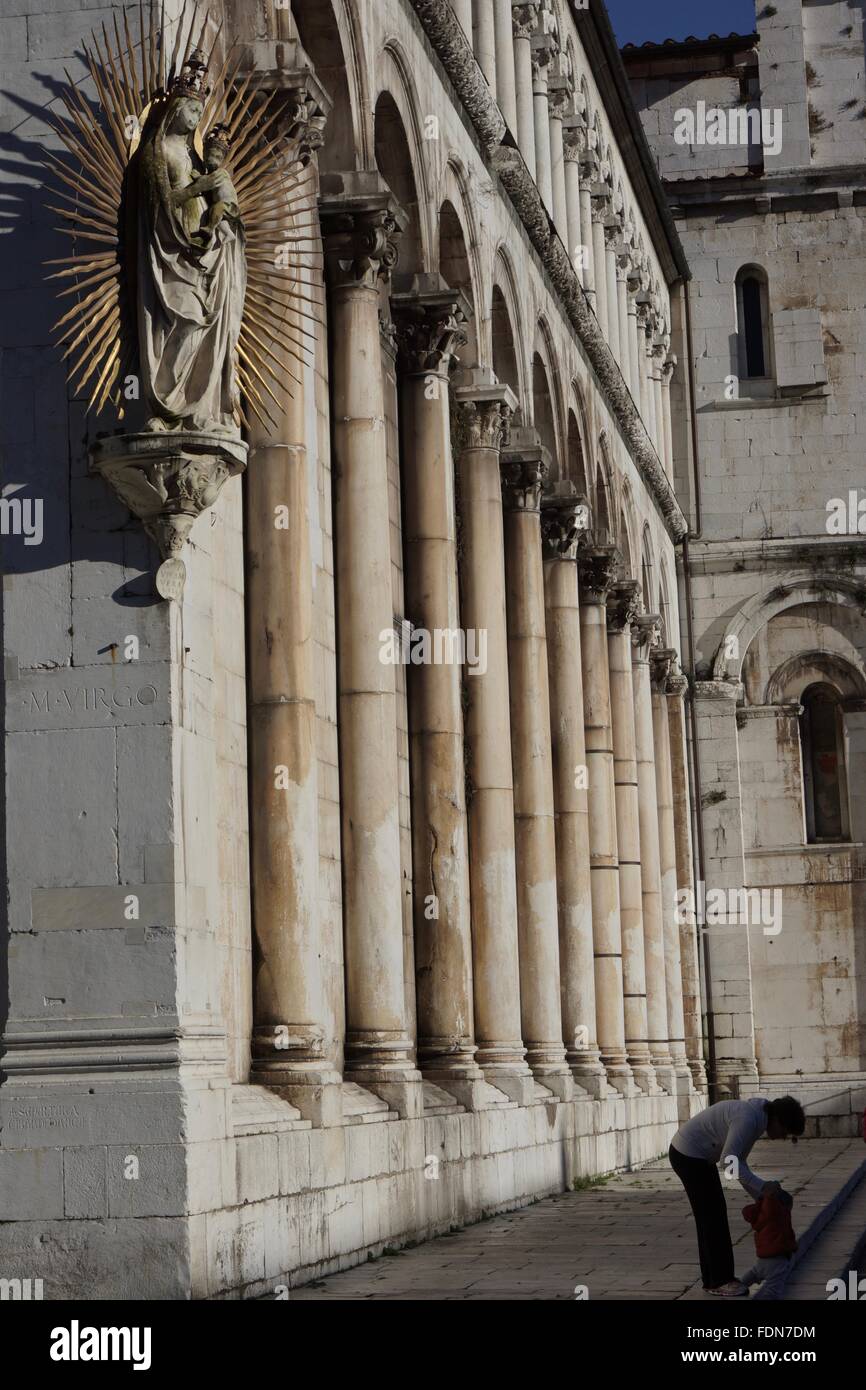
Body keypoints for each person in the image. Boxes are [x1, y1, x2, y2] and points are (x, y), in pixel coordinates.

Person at [668, 1094, 805, 1297]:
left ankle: (714, 1279)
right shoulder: (748, 1118)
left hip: (697, 1156)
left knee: (712, 1216)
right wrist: (763, 1187)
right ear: (778, 1120)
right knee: (712, 1217)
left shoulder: (755, 1119)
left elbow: (739, 1164)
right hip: (688, 1155)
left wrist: (761, 1196)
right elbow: (729, 1162)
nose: (782, 1137)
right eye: (785, 1132)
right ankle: (719, 1281)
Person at [735, 1186, 797, 1299]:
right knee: (773, 1290)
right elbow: (772, 1206)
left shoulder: (764, 1217)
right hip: (777, 1259)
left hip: (763, 1259)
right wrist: (769, 1196)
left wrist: (765, 1198)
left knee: (754, 1274)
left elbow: (768, 1207)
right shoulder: (778, 1214)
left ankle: (739, 1285)